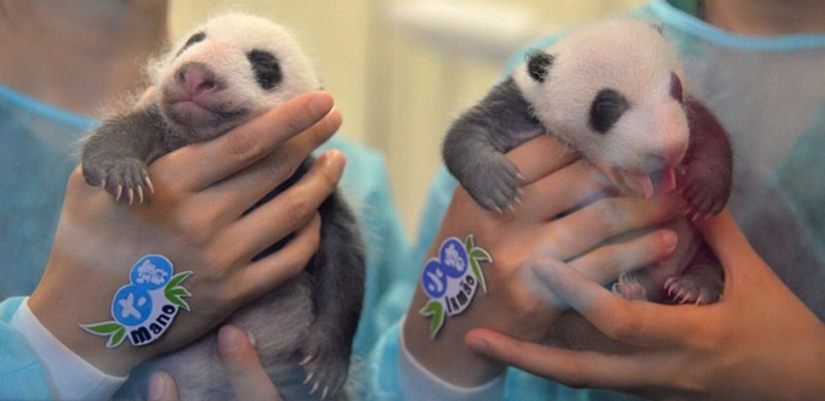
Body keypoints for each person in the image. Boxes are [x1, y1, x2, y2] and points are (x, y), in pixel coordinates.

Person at [366, 0, 825, 400]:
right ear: (543, 79)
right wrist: (437, 362)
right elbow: (432, 310)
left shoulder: (645, 58)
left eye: (672, 96)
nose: (666, 139)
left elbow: (696, 129)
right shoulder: (549, 73)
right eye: (612, 110)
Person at [0, 1, 409, 399]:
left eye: (262, 68)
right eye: (195, 42)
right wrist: (55, 342)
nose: (199, 73)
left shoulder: (337, 177)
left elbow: (345, 270)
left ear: (305, 102)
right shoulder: (146, 130)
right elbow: (112, 146)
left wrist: (331, 339)